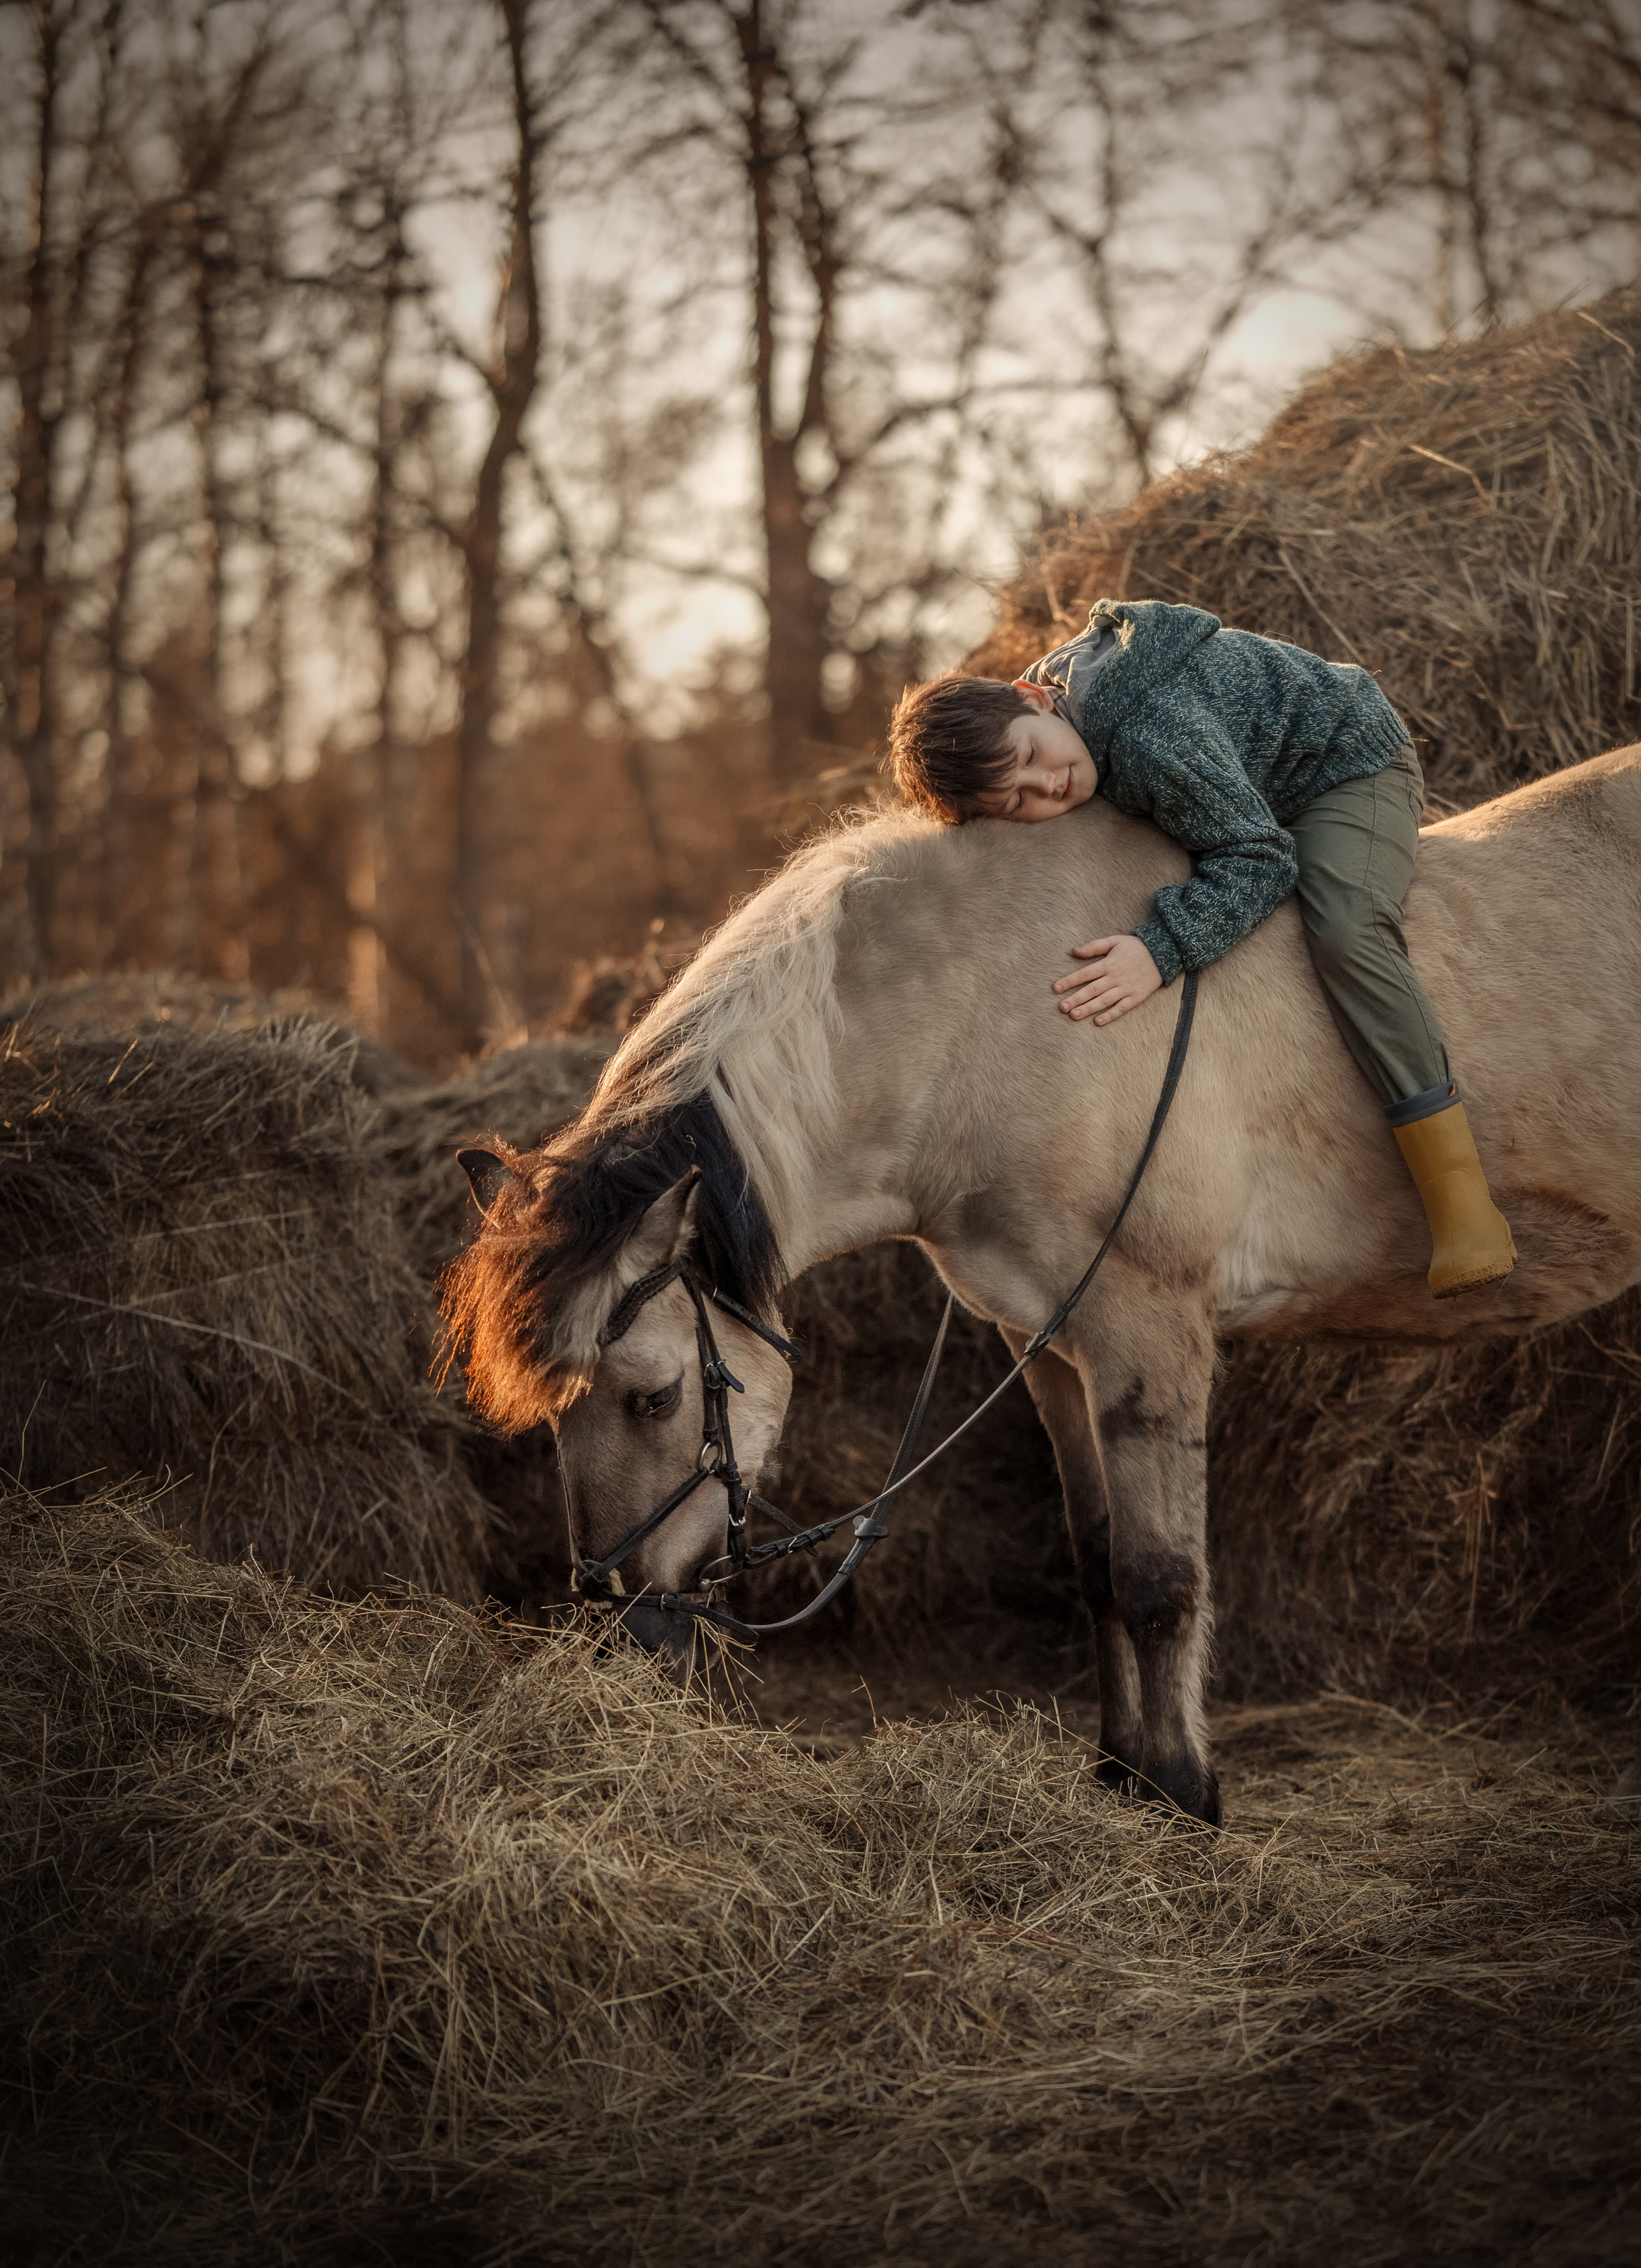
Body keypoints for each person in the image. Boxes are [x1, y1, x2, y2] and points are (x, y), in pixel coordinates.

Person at [886, 598, 1515, 1299]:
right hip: (1232, 776)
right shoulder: (1056, 722)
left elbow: (1261, 858)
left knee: (1345, 929)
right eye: (1018, 801)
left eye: (1032, 757)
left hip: (1338, 766)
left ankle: (1461, 1200)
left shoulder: (1154, 737)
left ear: (1034, 698)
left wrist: (1158, 949)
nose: (1049, 784)